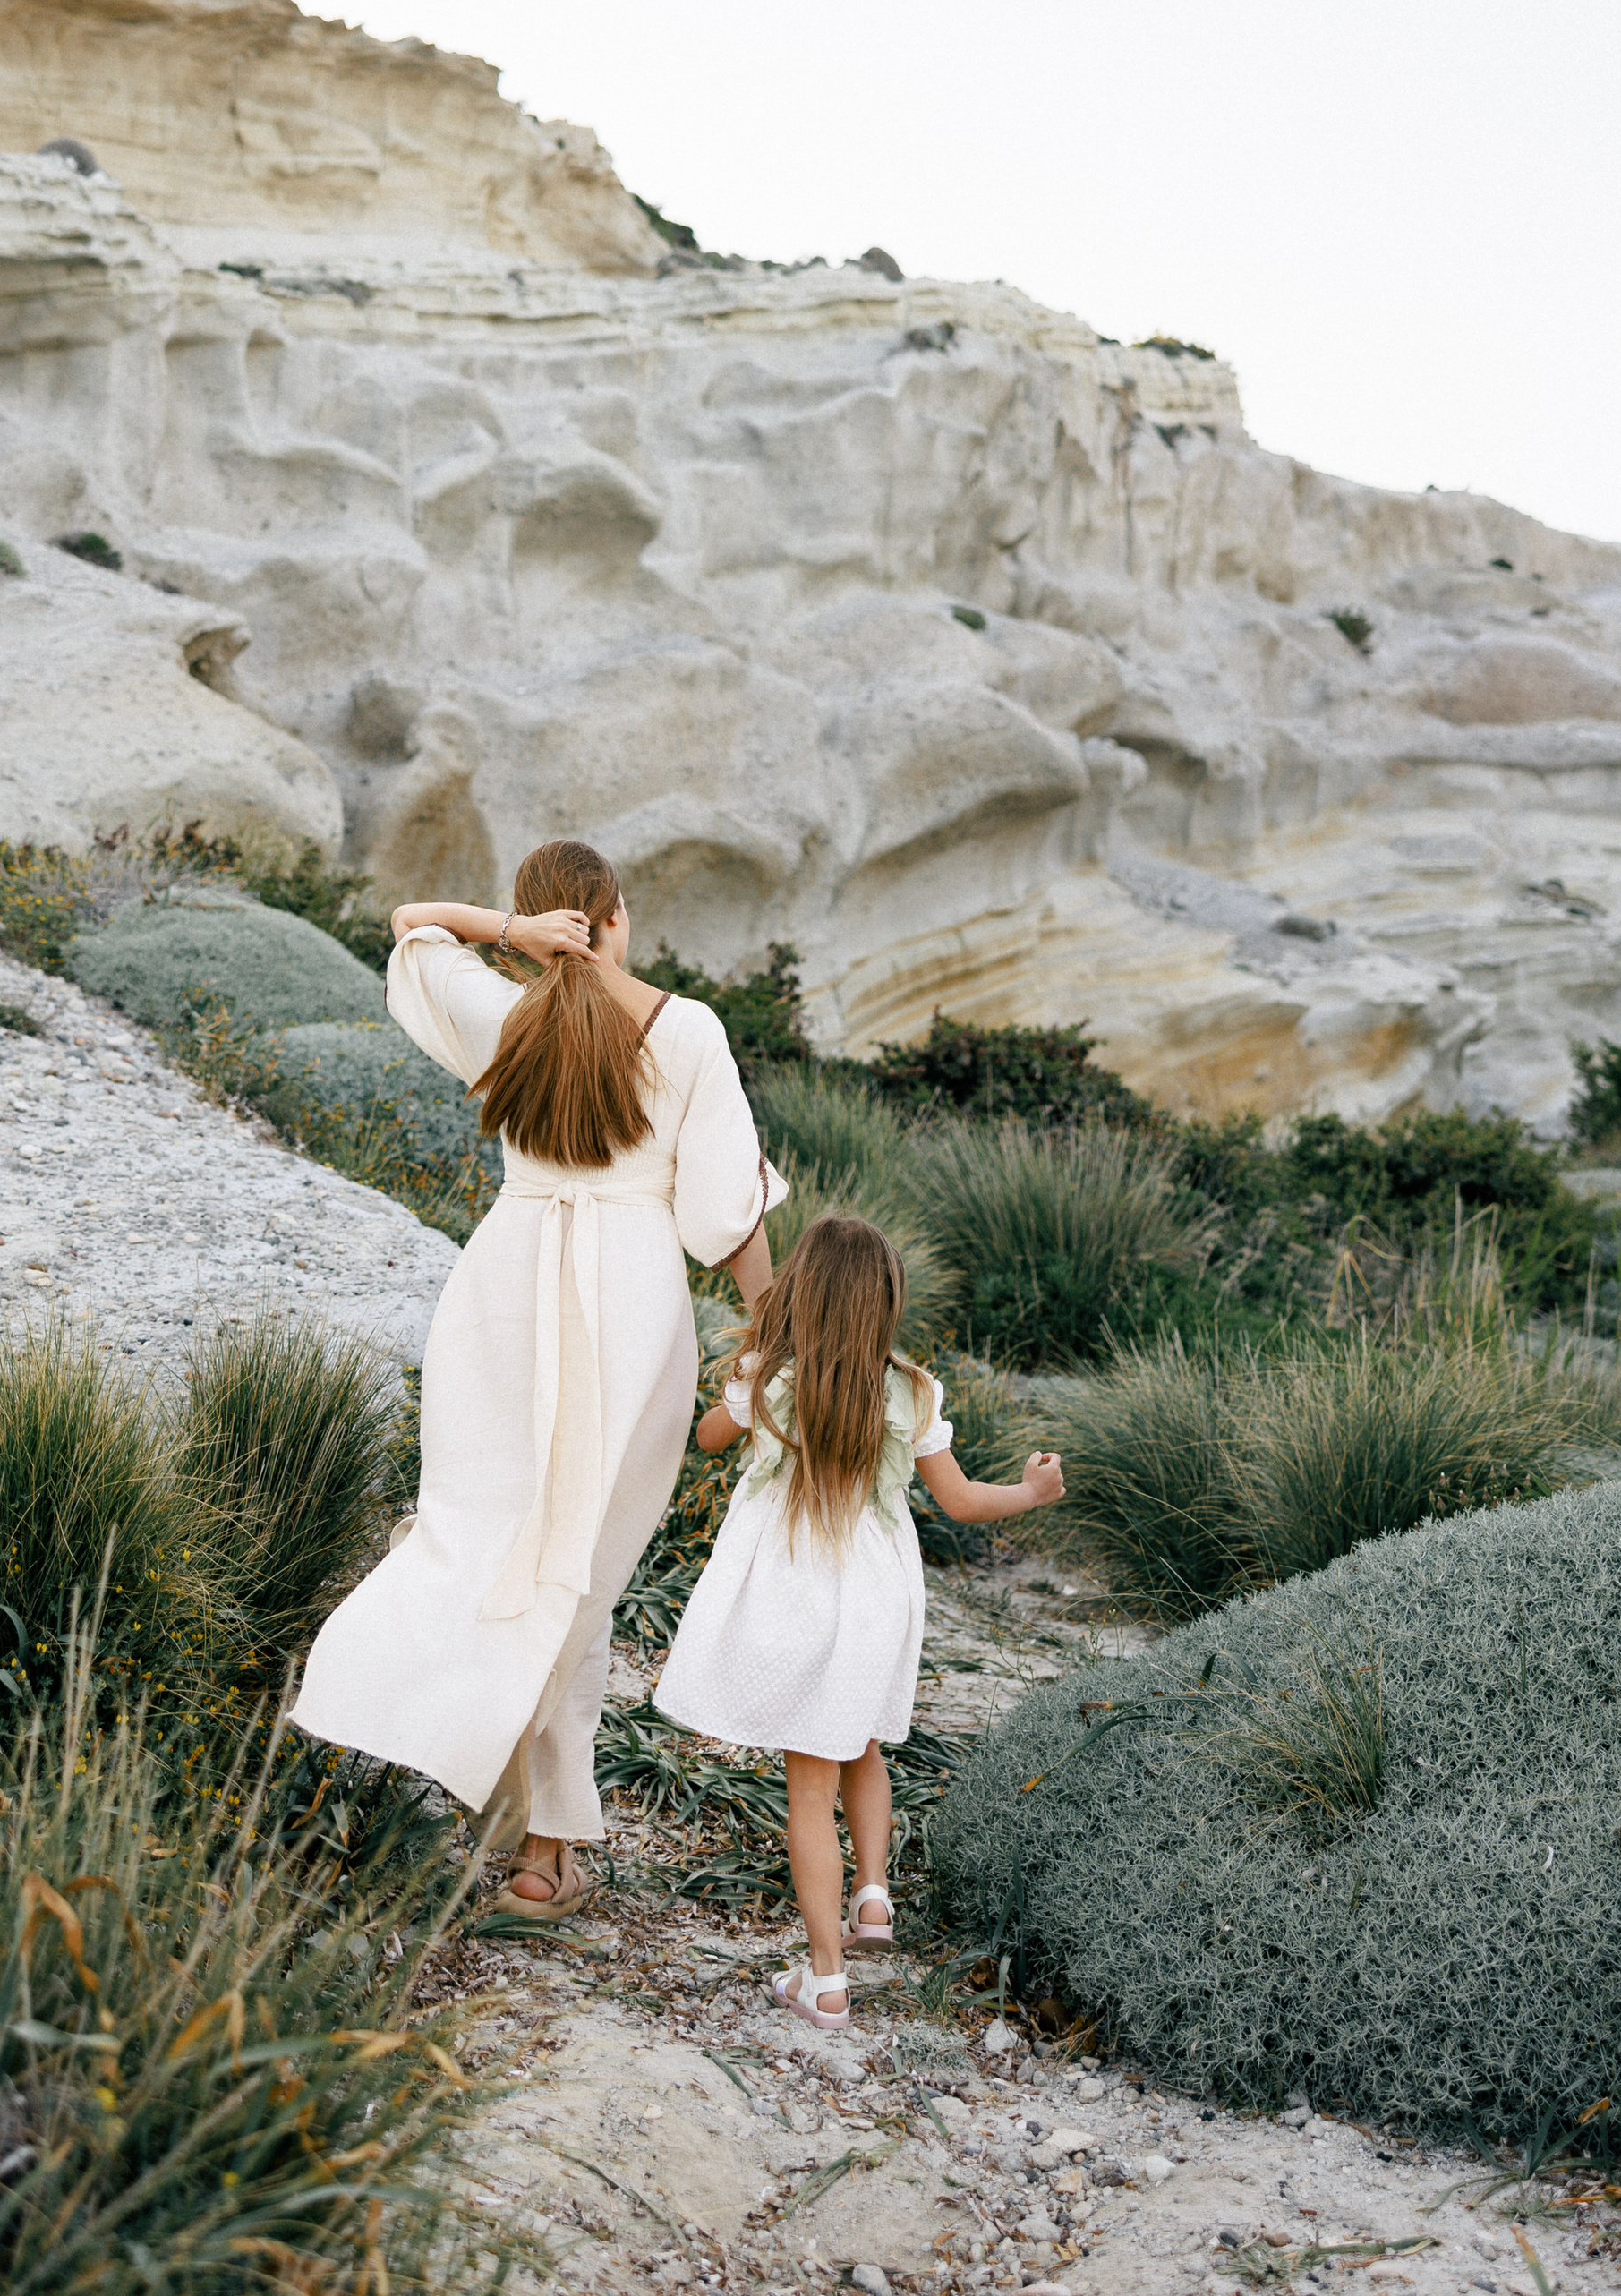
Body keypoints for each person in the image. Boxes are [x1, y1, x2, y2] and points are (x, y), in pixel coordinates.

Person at [289, 837, 783, 1916]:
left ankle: (413, 1735)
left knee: (470, 1535)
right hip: (631, 1304)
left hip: (502, 1287)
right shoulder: (686, 1028)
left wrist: (507, 937)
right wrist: (770, 1334)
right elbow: (719, 1214)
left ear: (536, 921)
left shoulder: (504, 1012)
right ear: (613, 913)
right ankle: (545, 1846)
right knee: (577, 1574)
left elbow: (413, 927)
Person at [655, 1213, 1065, 2027]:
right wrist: (1030, 1492)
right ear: (885, 1301)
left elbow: (704, 1440)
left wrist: (732, 1381)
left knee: (809, 1786)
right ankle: (872, 1895)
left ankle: (827, 1978)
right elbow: (958, 1501)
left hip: (795, 1593)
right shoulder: (912, 1389)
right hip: (878, 1598)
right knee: (862, 1740)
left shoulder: (769, 1377)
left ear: (801, 1291)